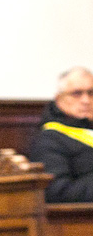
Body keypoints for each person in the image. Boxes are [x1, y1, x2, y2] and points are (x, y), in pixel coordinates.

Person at [29, 66, 93, 202]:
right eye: (77, 93)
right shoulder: (49, 140)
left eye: (91, 93)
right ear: (59, 99)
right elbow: (57, 192)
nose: (86, 100)